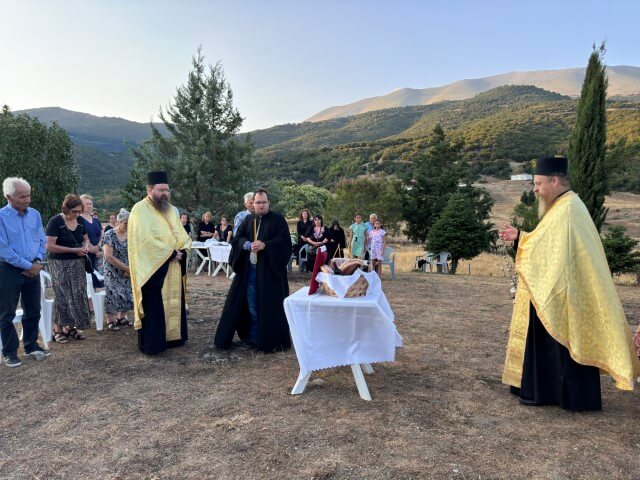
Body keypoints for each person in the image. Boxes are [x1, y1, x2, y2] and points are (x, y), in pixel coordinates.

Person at [500, 156, 640, 411]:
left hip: (565, 294)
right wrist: (520, 236)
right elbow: (548, 245)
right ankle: (546, 392)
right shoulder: (563, 205)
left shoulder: (568, 208)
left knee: (562, 346)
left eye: (539, 183)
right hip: (556, 289)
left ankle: (557, 394)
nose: (535, 189)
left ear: (554, 181)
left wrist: (523, 240)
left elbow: (553, 250)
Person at [215, 188, 292, 352]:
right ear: (253, 204)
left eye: (264, 202)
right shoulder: (249, 219)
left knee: (268, 306)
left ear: (269, 203)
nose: (261, 205)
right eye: (258, 202)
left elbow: (284, 242)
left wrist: (265, 245)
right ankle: (254, 337)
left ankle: (269, 340)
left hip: (270, 274)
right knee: (251, 304)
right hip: (250, 272)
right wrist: (247, 245)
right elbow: (238, 238)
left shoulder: (278, 219)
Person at [128, 171, 191, 355]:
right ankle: (154, 344)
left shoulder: (170, 209)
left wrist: (183, 250)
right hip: (153, 268)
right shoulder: (139, 209)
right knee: (155, 304)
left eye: (167, 190)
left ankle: (174, 338)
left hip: (174, 264)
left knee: (174, 301)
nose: (165, 193)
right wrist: (170, 253)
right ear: (150, 189)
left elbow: (181, 234)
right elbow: (144, 240)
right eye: (161, 190)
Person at [0, 177, 49, 367]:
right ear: (9, 197)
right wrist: (28, 266)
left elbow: (41, 239)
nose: (27, 200)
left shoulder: (34, 214)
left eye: (28, 195)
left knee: (33, 309)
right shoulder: (1, 217)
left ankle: (31, 345)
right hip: (9, 270)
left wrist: (37, 261)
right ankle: (10, 352)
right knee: (7, 313)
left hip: (33, 267)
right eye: (22, 196)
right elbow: (3, 249)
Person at [45, 194, 92, 343]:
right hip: (59, 264)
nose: (77, 214)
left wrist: (85, 247)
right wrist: (74, 250)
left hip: (78, 264)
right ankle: (57, 329)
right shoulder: (55, 221)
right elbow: (49, 246)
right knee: (62, 295)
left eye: (79, 211)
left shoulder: (80, 221)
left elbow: (85, 238)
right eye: (74, 211)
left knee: (77, 295)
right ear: (66, 208)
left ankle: (70, 327)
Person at [103, 208, 133, 331]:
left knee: (127, 292)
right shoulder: (109, 234)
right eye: (124, 223)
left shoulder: (131, 234)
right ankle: (110, 319)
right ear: (118, 222)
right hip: (112, 269)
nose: (126, 225)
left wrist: (128, 269)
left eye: (128, 223)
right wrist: (126, 268)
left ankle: (121, 317)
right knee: (112, 293)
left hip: (127, 269)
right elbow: (108, 256)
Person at [79, 194, 104, 288]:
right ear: (81, 205)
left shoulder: (96, 220)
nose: (89, 206)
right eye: (87, 204)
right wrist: (91, 249)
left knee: (99, 283)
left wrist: (98, 247)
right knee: (89, 284)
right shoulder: (78, 220)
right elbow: (80, 236)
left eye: (91, 204)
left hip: (98, 255)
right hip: (86, 255)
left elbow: (102, 234)